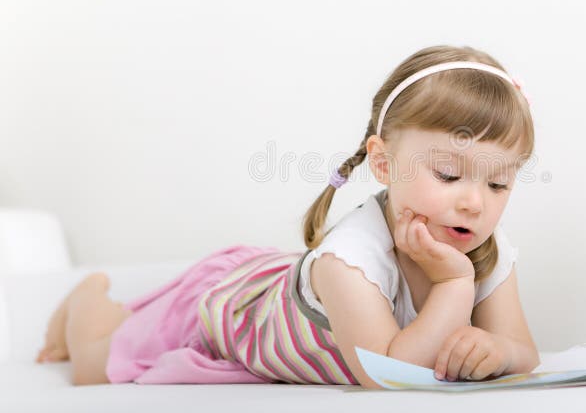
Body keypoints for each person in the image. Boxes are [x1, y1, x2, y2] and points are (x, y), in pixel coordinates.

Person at [35, 45, 541, 389]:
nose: (476, 202)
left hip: (290, 290)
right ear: (384, 164)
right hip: (241, 315)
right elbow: (386, 375)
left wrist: (501, 353)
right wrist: (454, 285)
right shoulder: (349, 261)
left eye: (499, 183)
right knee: (94, 367)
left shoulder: (488, 249)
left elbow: (524, 350)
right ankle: (83, 303)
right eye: (449, 175)